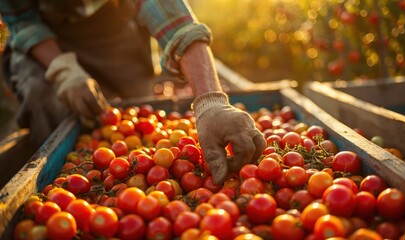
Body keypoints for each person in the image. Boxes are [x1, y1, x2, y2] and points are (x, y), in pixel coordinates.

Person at [0, 0, 266, 184]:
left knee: (135, 101)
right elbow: (23, 21)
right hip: (47, 36)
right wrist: (62, 69)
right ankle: (48, 171)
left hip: (114, 31)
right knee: (45, 101)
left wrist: (211, 102)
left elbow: (176, 22)